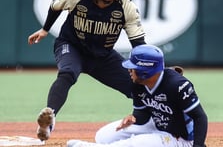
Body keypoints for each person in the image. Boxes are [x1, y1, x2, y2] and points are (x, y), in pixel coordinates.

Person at [28, 0, 146, 142]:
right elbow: (55, 6)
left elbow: (138, 44)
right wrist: (45, 29)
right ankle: (49, 120)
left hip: (102, 56)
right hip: (72, 46)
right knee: (67, 73)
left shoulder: (126, 6)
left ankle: (152, 125)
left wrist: (147, 71)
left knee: (139, 87)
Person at [66, 44, 208, 147]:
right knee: (103, 136)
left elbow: (200, 117)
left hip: (182, 138)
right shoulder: (137, 83)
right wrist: (132, 118)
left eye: (133, 68)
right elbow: (142, 116)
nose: (129, 70)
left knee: (140, 143)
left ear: (145, 71)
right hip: (158, 125)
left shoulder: (177, 85)